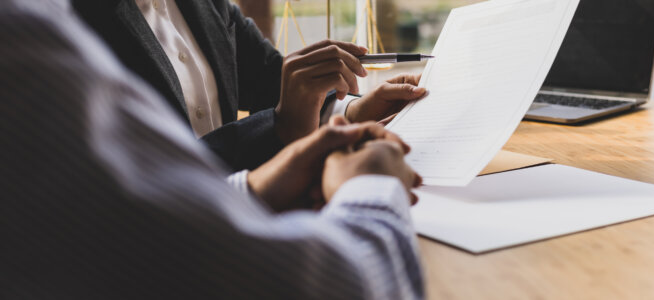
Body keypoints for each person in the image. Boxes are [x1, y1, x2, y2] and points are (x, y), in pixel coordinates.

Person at [1, 0, 424, 299]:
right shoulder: (54, 22)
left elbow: (274, 80)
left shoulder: (207, 4)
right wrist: (372, 185)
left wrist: (350, 111)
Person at [70, 0, 427, 172]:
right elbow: (144, 166)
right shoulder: (67, 21)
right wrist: (280, 127)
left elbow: (273, 80)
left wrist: (351, 111)